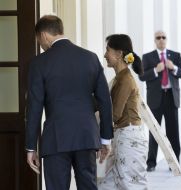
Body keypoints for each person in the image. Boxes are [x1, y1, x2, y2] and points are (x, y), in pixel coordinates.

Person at [26, 15, 113, 190]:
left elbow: (34, 108)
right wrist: (105, 139)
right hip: (86, 136)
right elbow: (105, 101)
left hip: (55, 139)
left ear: (43, 35)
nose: (41, 46)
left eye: (39, 41)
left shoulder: (39, 63)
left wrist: (30, 147)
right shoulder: (90, 58)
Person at [98, 34, 148, 190]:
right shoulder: (121, 77)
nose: (105, 55)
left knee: (130, 185)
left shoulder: (125, 79)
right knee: (107, 185)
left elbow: (115, 114)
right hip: (123, 136)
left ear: (119, 54)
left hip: (129, 138)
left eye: (108, 50)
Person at [139, 30, 181, 172]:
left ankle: (175, 164)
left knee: (173, 133)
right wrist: (155, 70)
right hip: (155, 100)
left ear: (166, 39)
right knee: (154, 132)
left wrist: (174, 67)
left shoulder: (175, 56)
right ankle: (151, 163)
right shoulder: (147, 57)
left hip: (171, 98)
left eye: (163, 37)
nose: (161, 40)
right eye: (158, 38)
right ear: (155, 40)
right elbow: (141, 76)